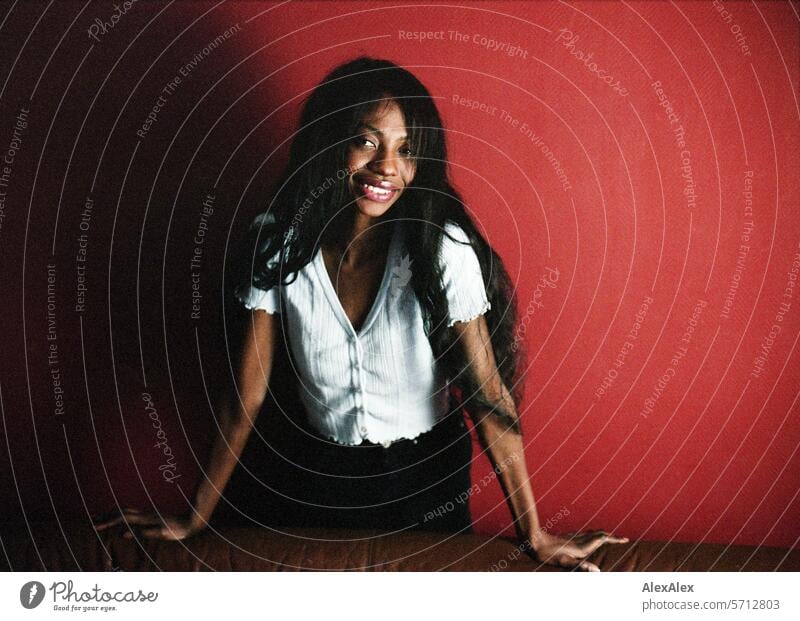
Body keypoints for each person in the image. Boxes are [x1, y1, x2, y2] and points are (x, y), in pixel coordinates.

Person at [95, 56, 627, 571]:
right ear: (331, 141)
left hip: (425, 484)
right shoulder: (276, 242)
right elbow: (246, 395)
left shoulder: (443, 248)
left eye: (405, 150)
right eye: (366, 141)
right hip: (313, 476)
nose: (386, 167)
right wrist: (195, 518)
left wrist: (535, 535)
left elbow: (487, 395)